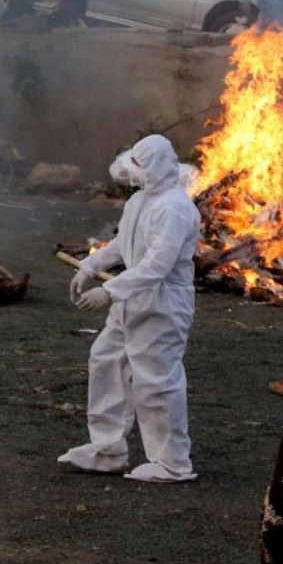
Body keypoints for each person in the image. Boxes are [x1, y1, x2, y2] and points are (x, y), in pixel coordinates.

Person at [63, 135, 200, 483]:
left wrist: (108, 291)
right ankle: (108, 450)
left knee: (156, 379)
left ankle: (172, 463)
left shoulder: (175, 207)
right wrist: (89, 267)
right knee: (106, 361)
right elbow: (124, 244)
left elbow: (158, 264)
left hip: (163, 303)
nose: (134, 174)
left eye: (141, 167)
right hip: (133, 298)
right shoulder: (140, 201)